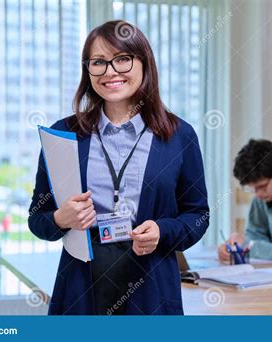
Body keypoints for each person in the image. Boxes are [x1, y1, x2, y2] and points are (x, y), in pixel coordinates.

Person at [28, 20, 209, 315]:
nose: (110, 71)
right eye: (98, 62)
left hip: (152, 291)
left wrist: (163, 231)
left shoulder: (180, 136)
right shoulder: (63, 135)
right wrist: (61, 218)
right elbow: (38, 219)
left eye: (122, 59)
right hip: (80, 289)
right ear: (88, 70)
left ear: (144, 63)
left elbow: (198, 215)